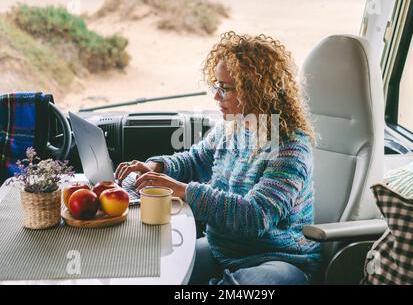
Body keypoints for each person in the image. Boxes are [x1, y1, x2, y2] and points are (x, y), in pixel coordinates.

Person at [115, 31, 320, 285]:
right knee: (155, 270)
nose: (216, 97)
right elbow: (194, 161)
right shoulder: (230, 128)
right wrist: (156, 166)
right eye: (217, 87)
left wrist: (184, 191)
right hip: (222, 250)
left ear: (255, 91)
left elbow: (256, 216)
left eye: (225, 89)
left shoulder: (291, 147)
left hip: (278, 260)